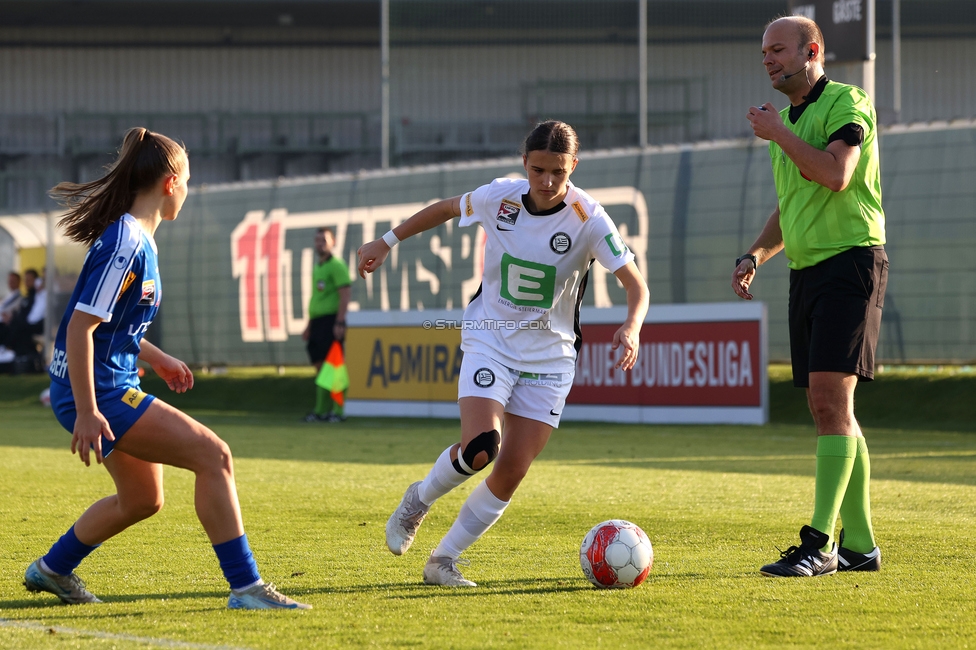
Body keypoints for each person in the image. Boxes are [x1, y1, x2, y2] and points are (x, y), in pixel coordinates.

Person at [24, 127, 310, 609]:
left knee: (143, 499)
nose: (189, 192)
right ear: (171, 181)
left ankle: (51, 569)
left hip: (105, 384)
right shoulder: (126, 241)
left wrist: (156, 357)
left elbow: (113, 327)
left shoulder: (136, 238)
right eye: (189, 181)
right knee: (214, 456)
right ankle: (246, 588)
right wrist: (90, 411)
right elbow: (79, 330)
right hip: (100, 392)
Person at [358, 120, 649, 586]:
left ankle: (442, 561)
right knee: (480, 450)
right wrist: (387, 241)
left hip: (551, 358)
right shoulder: (500, 197)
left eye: (558, 171)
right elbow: (446, 209)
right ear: (525, 163)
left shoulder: (589, 218)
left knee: (511, 471)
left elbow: (636, 286)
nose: (548, 181)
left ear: (573, 165)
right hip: (490, 338)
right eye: (538, 170)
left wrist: (631, 328)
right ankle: (418, 501)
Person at [733, 15, 887, 577]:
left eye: (778, 50)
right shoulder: (787, 124)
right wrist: (755, 255)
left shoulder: (847, 103)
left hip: (852, 262)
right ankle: (861, 546)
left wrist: (780, 134)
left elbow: (836, 174)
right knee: (833, 410)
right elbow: (792, 203)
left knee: (829, 403)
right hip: (808, 272)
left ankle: (820, 543)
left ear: (811, 51)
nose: (768, 59)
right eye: (764, 52)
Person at [302, 226, 351, 423]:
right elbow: (317, 297)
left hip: (331, 321)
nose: (320, 244)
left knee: (335, 367)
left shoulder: (337, 265)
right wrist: (309, 324)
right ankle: (321, 410)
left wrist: (339, 321)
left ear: (333, 242)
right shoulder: (319, 266)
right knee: (322, 368)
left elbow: (345, 294)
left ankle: (337, 411)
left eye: (324, 240)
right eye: (317, 240)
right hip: (317, 322)